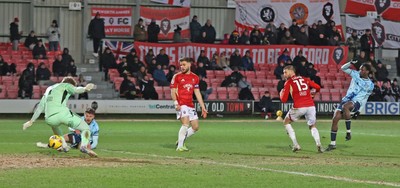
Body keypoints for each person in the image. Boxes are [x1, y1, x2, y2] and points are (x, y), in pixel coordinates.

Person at [22, 76, 97, 157]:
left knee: (55, 126)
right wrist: (85, 88)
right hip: (62, 114)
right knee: (85, 128)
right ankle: (83, 146)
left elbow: (40, 106)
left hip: (49, 119)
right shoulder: (66, 85)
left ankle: (64, 145)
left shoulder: (48, 89)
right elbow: (76, 90)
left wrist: (31, 121)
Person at [326, 60, 374, 151]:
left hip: (357, 102)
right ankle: (332, 144)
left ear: (367, 71)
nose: (361, 71)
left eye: (363, 70)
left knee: (346, 107)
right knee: (335, 118)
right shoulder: (355, 74)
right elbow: (343, 68)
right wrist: (351, 62)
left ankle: (348, 132)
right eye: (360, 69)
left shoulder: (370, 85)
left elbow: (365, 98)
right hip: (346, 99)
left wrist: (359, 111)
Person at [280, 65, 322, 152]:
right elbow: (317, 87)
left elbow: (284, 99)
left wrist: (281, 93)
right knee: (312, 126)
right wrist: (313, 93)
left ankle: (296, 145)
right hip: (311, 106)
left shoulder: (289, 82)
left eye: (285, 72)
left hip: (299, 107)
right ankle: (318, 144)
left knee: (286, 122)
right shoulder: (304, 79)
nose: (284, 74)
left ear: (291, 71)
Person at [171, 57, 208, 151]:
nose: (182, 67)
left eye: (184, 64)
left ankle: (180, 139)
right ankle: (180, 146)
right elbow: (173, 91)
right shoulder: (177, 76)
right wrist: (176, 103)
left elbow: (197, 92)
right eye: (180, 65)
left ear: (189, 64)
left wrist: (203, 106)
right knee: (185, 124)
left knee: (195, 127)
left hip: (190, 104)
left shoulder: (195, 77)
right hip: (181, 103)